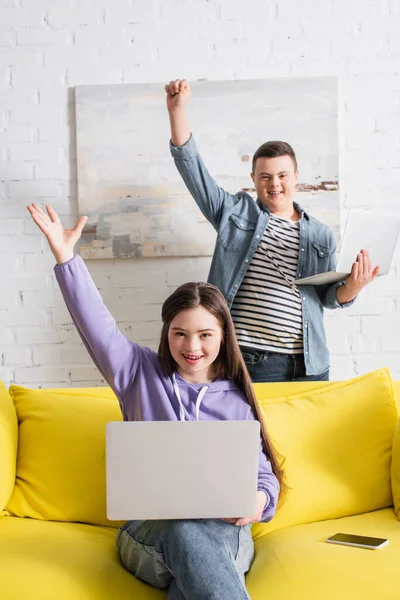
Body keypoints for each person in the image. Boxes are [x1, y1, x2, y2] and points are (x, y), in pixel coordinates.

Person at [27, 202, 282, 600]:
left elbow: (265, 478)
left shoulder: (237, 400)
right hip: (148, 532)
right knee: (183, 532)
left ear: (222, 337)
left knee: (194, 557)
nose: (191, 346)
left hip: (223, 533)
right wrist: (67, 257)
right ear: (166, 333)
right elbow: (98, 326)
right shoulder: (137, 373)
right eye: (179, 333)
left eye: (204, 335)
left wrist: (256, 499)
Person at [165, 79, 380, 383]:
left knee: (308, 433)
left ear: (296, 176)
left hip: (311, 363)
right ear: (253, 177)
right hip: (253, 358)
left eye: (282, 175)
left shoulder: (320, 235)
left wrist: (355, 285)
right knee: (256, 432)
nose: (274, 184)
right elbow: (192, 170)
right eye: (265, 176)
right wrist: (177, 110)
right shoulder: (234, 213)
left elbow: (329, 297)